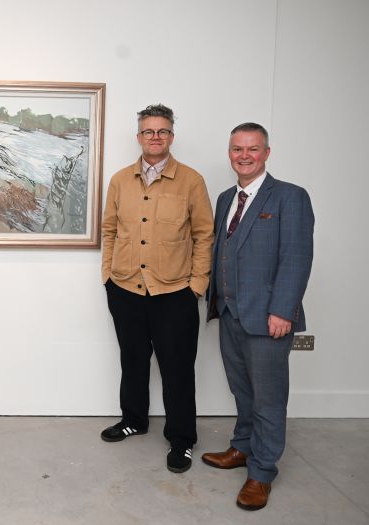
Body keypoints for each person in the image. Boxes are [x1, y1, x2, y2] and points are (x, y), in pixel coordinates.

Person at [202, 123, 314, 510]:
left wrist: (284, 309)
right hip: (230, 312)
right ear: (230, 153)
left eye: (252, 148)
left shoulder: (290, 197)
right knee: (242, 390)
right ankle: (243, 448)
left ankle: (262, 472)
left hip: (269, 318)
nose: (244, 155)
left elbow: (297, 258)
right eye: (237, 149)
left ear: (267, 152)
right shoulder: (224, 199)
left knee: (268, 399)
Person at [100, 104, 214, 473]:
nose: (155, 137)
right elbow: (109, 231)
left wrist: (196, 286)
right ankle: (134, 419)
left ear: (171, 136)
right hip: (125, 288)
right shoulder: (119, 180)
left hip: (174, 293)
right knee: (132, 360)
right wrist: (108, 277)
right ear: (139, 137)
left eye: (162, 131)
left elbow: (203, 235)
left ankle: (181, 440)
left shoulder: (191, 181)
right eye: (149, 131)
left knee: (177, 369)